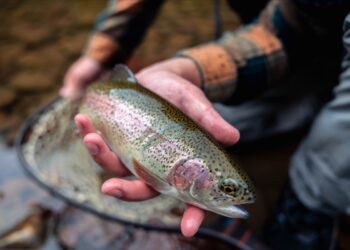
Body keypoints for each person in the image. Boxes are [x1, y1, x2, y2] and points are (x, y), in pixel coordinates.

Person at [60, 1, 350, 249]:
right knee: (232, 124)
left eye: (226, 189)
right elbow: (283, 27)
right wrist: (103, 53)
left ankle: (309, 206)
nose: (233, 197)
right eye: (226, 188)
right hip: (306, 38)